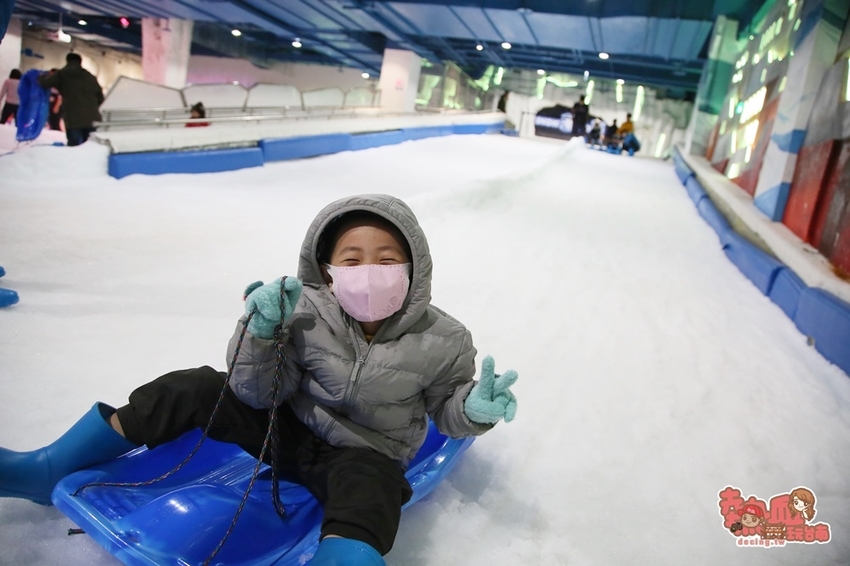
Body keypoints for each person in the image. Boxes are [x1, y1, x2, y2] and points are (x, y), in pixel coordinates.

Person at [0, 194, 518, 565]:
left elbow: (445, 410)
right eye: (352, 260)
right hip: (283, 432)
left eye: (386, 261)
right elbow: (252, 390)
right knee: (195, 386)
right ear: (328, 269)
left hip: (363, 455)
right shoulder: (304, 309)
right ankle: (49, 468)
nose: (369, 272)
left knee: (374, 491)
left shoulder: (444, 338)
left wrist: (472, 409)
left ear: (412, 269)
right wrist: (263, 332)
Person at [37, 53, 104, 146]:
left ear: (67, 61)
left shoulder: (62, 74)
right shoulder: (90, 76)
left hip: (73, 117)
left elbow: (45, 83)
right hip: (92, 118)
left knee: (74, 146)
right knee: (90, 146)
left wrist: (39, 76)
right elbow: (101, 98)